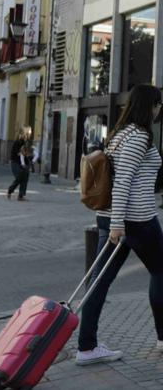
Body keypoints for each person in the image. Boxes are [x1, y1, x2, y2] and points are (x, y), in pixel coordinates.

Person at [75, 84, 163, 366]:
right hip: (135, 220)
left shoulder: (119, 134)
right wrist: (118, 225)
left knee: (98, 282)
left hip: (114, 219)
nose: (160, 109)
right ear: (151, 105)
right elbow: (123, 179)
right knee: (161, 272)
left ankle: (86, 347)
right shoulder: (138, 137)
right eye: (159, 104)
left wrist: (113, 222)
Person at [7, 126, 36, 201]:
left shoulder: (27, 142)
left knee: (25, 178)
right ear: (25, 132)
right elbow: (19, 153)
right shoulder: (18, 142)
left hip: (25, 163)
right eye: (29, 131)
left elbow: (28, 152)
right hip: (16, 163)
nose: (31, 133)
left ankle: (21, 195)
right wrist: (24, 155)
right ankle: (10, 189)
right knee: (19, 177)